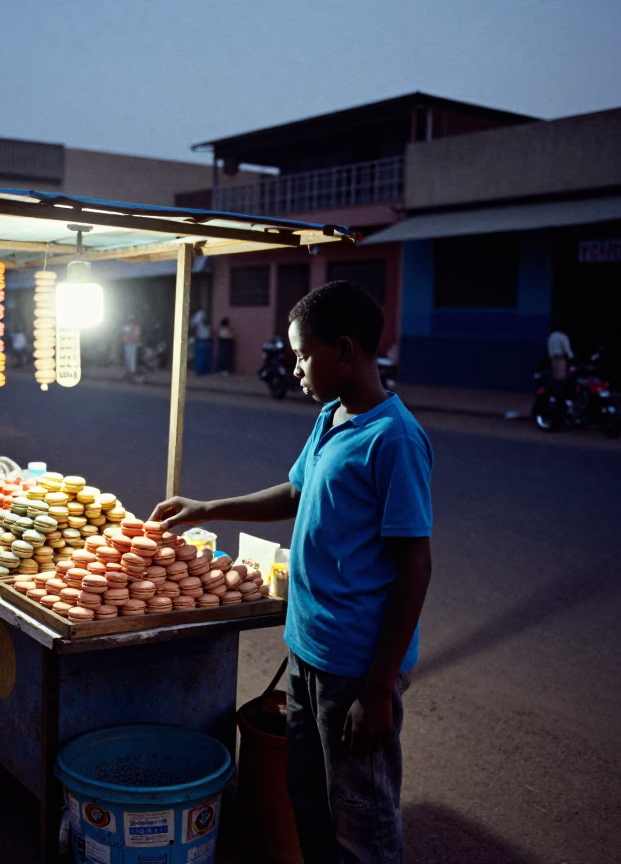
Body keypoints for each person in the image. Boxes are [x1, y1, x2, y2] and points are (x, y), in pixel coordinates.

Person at [151, 281, 433, 862]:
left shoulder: (394, 439)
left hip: (355, 670)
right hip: (308, 654)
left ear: (346, 350)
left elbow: (415, 568)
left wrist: (379, 690)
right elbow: (296, 493)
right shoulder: (332, 417)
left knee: (362, 822)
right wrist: (207, 508)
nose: (295, 368)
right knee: (309, 802)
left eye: (303, 355)